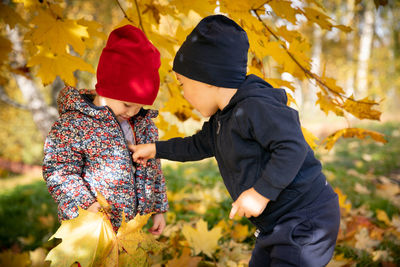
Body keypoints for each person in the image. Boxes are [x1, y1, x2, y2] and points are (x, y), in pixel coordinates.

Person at [130, 15, 340, 266]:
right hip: (275, 222)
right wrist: (156, 149)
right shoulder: (223, 118)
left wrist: (260, 193)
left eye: (183, 84)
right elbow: (196, 145)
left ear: (207, 79)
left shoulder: (255, 106)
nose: (183, 94)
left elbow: (292, 147)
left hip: (305, 218)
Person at [42, 25, 168, 234]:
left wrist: (158, 209)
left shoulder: (143, 125)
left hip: (132, 230)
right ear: (106, 89)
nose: (133, 112)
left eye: (140, 106)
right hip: (90, 227)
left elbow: (153, 169)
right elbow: (59, 170)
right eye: (127, 105)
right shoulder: (74, 124)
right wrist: (87, 205)